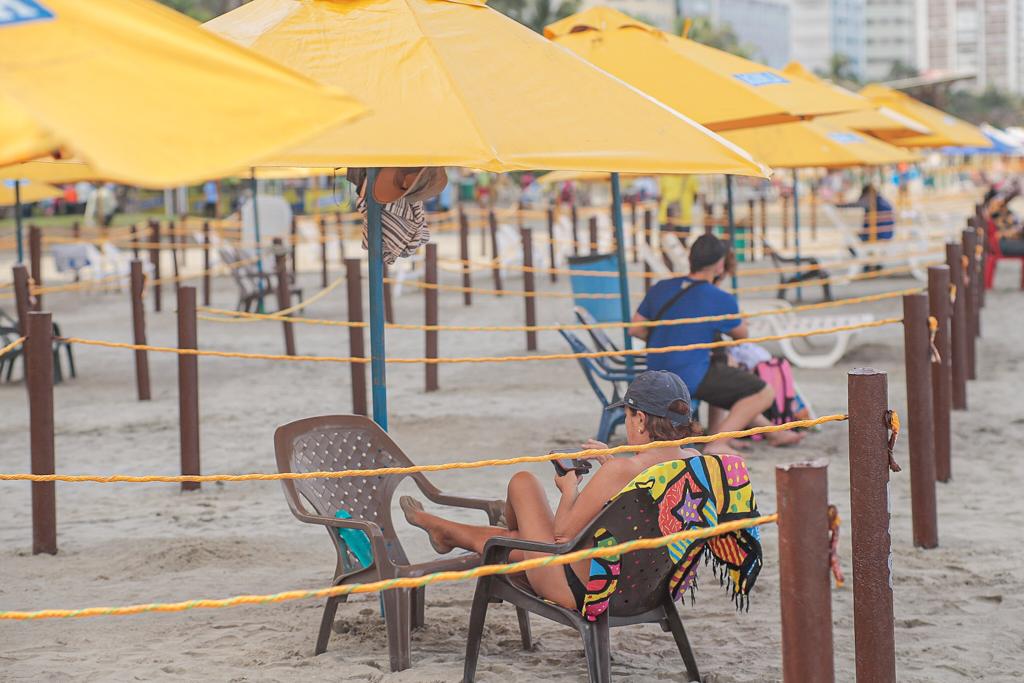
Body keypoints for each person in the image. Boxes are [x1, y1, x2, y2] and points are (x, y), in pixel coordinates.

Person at [401, 371, 699, 611]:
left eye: (628, 416)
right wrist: (613, 467)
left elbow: (562, 536)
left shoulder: (621, 471)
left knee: (523, 482)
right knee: (520, 535)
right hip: (652, 591)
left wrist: (569, 489)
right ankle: (450, 532)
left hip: (582, 590)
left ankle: (463, 533)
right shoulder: (699, 465)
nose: (627, 423)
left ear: (642, 419)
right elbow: (651, 500)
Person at [629, 234, 801, 454]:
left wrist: (670, 336)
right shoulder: (719, 297)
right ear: (720, 265)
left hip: (656, 371)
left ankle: (764, 433)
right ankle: (718, 442)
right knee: (763, 392)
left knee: (720, 368)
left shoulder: (661, 287)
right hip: (689, 376)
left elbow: (635, 328)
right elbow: (742, 335)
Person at [658, 174, 699, 244]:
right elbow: (696, 196)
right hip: (681, 218)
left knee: (667, 245)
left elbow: (660, 196)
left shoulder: (665, 176)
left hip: (668, 218)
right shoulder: (691, 176)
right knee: (679, 246)